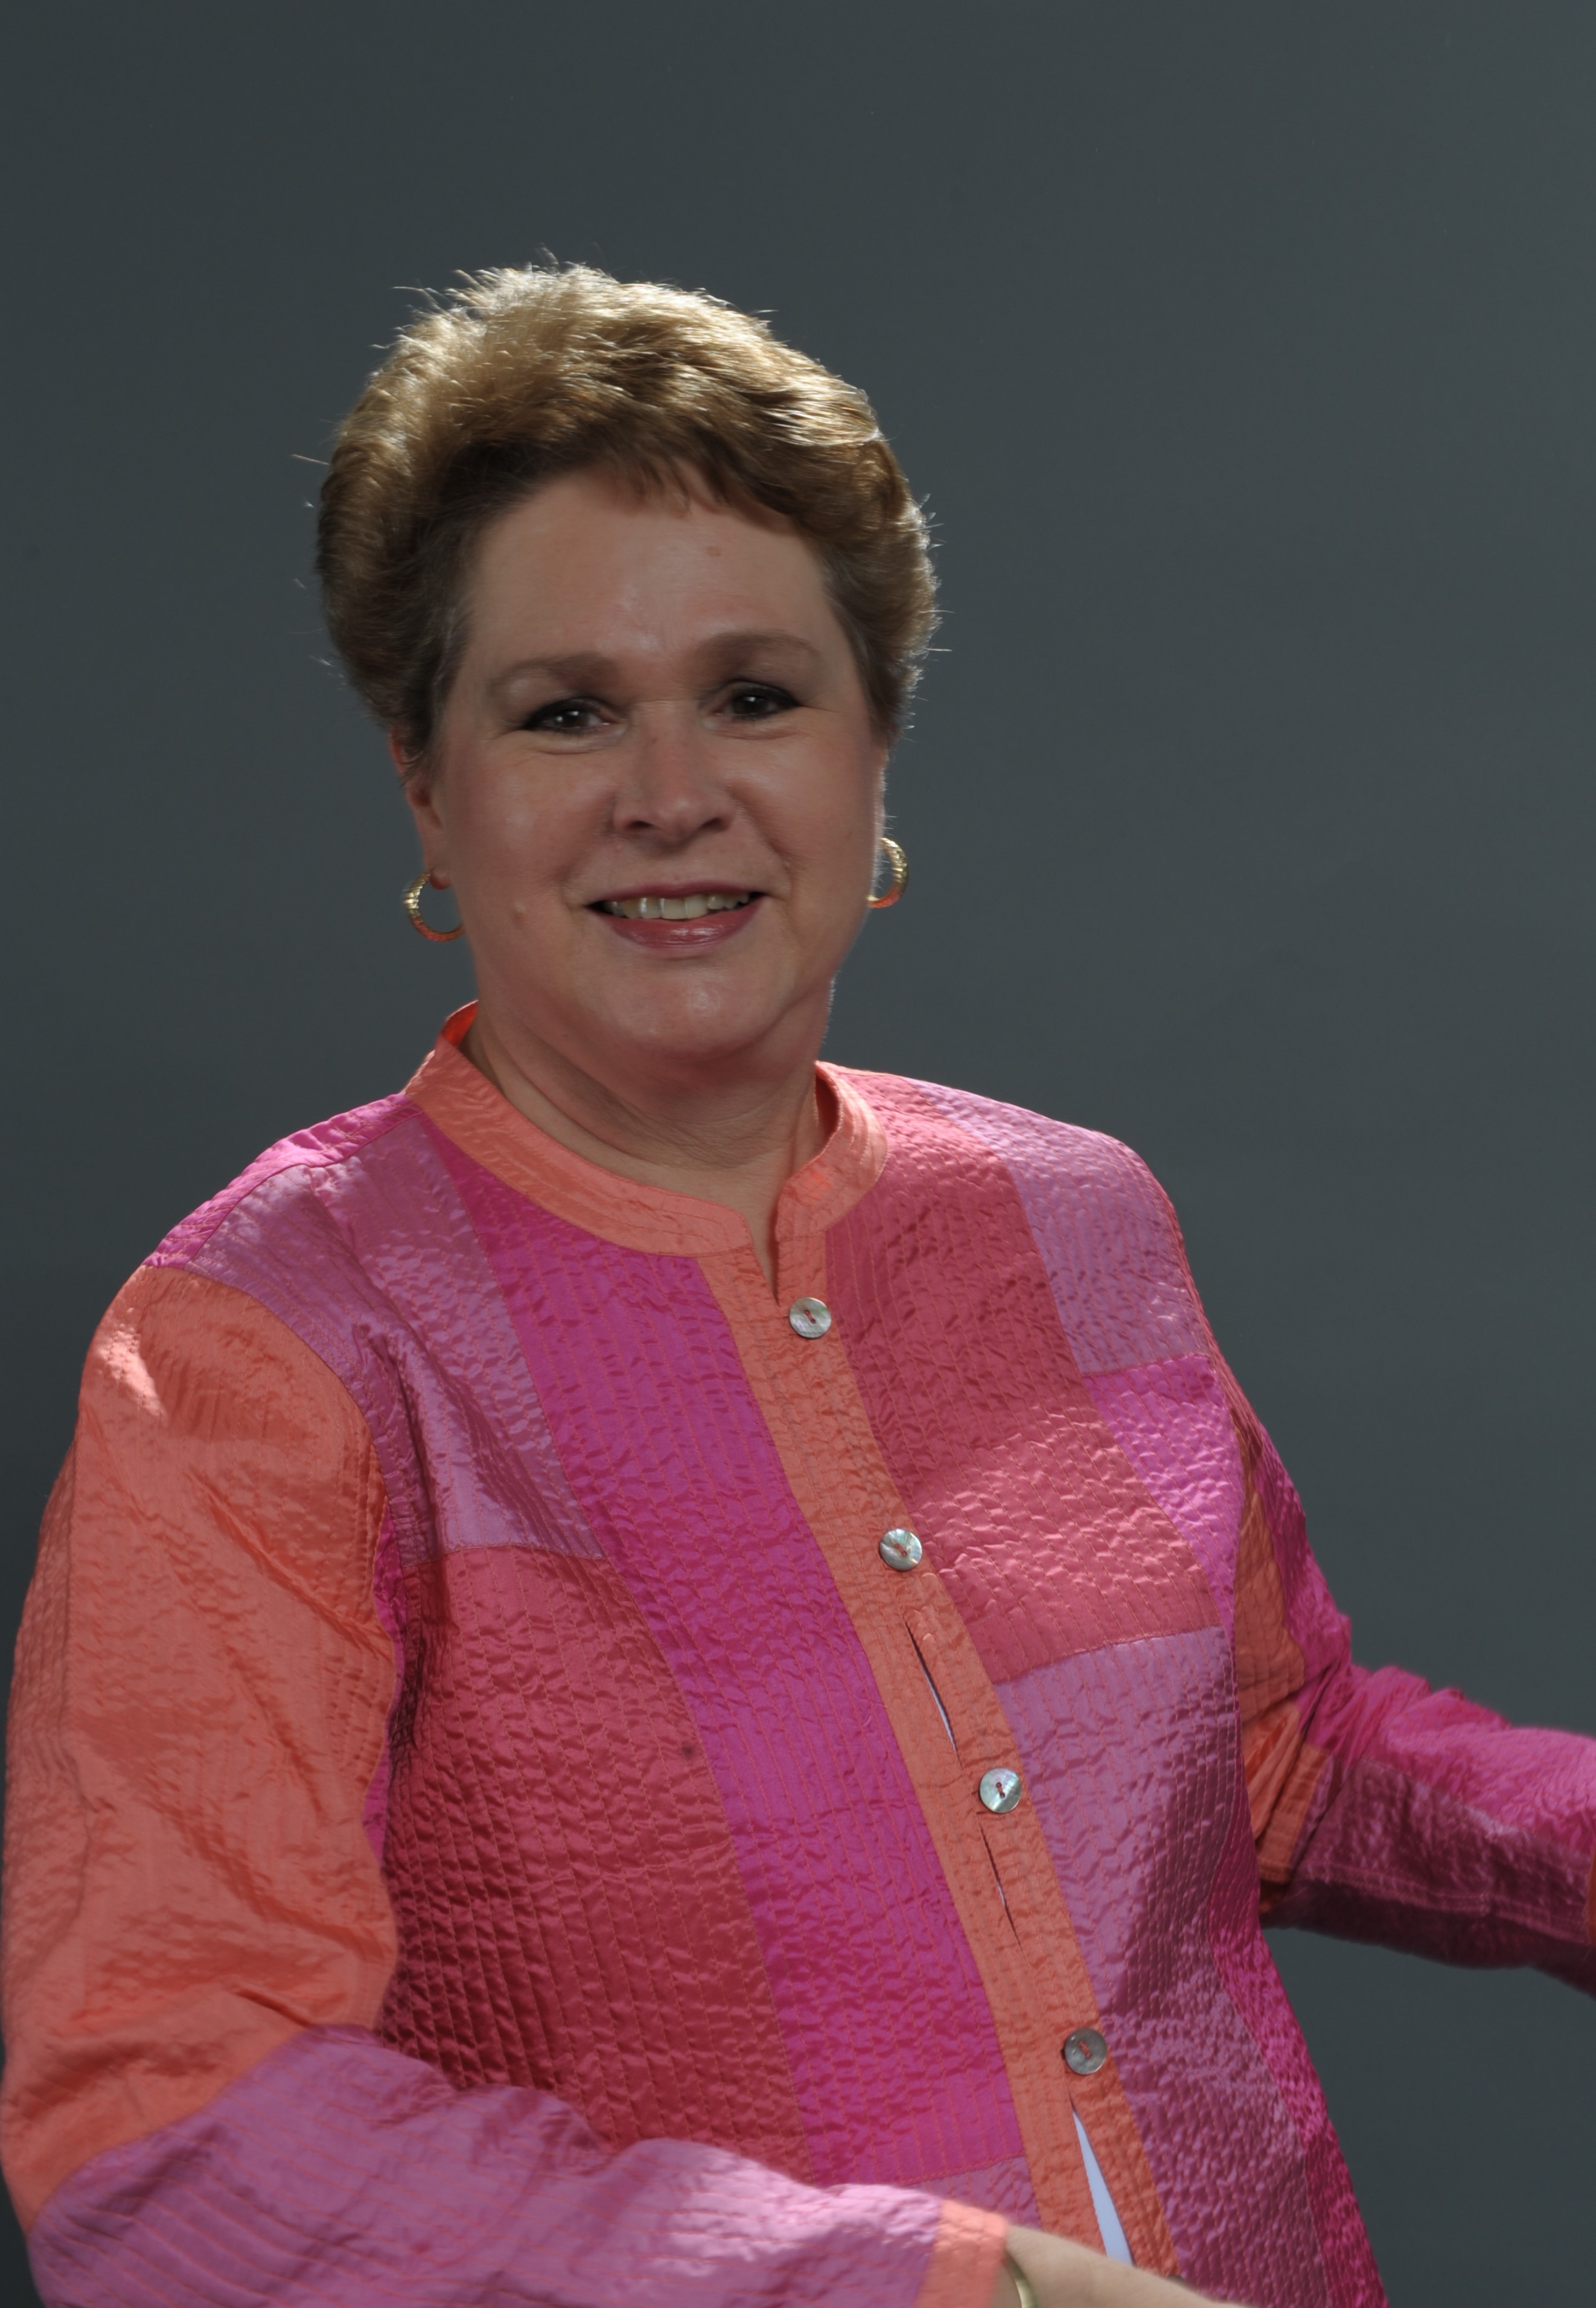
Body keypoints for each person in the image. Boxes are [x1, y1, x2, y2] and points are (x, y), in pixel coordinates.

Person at [3, 264, 1592, 2308]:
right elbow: (172, 2121)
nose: (672, 792)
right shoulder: (263, 1347)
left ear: (872, 761)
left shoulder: (1068, 1212)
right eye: (565, 710)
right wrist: (934, 2288)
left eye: (756, 695)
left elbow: (1279, 1760)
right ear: (427, 785)